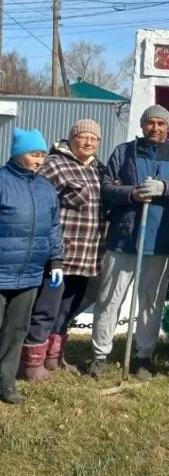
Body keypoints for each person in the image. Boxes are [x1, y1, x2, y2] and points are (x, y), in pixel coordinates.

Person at [89, 105, 169, 380]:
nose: (155, 128)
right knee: (109, 299)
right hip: (124, 239)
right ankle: (99, 356)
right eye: (150, 123)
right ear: (142, 124)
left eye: (161, 123)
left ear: (168, 126)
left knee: (151, 302)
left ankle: (143, 357)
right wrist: (131, 193)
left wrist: (165, 188)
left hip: (159, 242)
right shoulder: (124, 152)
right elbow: (106, 187)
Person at [21, 120, 105, 380]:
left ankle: (54, 356)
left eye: (94, 139)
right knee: (47, 307)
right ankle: (31, 362)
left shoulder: (98, 170)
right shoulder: (54, 165)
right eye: (83, 137)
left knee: (68, 307)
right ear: (71, 139)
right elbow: (40, 203)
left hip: (88, 254)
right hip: (60, 253)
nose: (89, 143)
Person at [0, 129, 62, 404]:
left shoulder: (46, 189)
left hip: (29, 275)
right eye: (34, 154)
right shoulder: (2, 181)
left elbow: (53, 229)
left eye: (42, 155)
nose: (39, 160)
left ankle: (6, 384)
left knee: (15, 331)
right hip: (1, 271)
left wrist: (56, 260)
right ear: (17, 154)